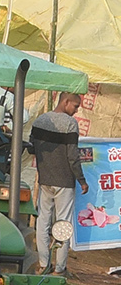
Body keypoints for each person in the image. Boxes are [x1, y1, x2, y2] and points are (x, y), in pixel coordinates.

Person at [32, 92, 89, 275]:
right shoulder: (70, 124)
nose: (76, 110)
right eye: (75, 106)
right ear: (65, 102)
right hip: (64, 182)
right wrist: (82, 180)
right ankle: (60, 268)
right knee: (63, 224)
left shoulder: (40, 120)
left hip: (45, 180)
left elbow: (34, 147)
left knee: (43, 221)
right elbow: (73, 156)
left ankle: (43, 264)